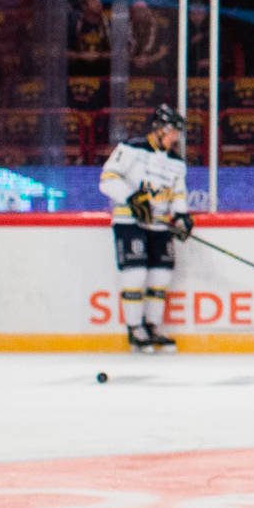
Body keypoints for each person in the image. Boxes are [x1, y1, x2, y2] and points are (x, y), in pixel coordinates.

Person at [97, 104, 192, 352]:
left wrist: (181, 216)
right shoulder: (131, 149)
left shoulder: (176, 162)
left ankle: (152, 326)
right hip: (129, 221)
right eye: (174, 132)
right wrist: (131, 197)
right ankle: (134, 329)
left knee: (161, 276)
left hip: (160, 224)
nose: (176, 138)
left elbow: (178, 192)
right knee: (135, 274)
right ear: (161, 129)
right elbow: (108, 179)